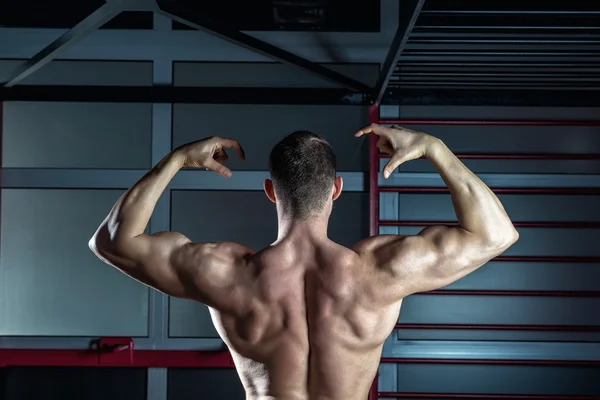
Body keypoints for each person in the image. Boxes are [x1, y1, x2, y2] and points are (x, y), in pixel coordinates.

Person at [89, 124, 519, 400]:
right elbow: (496, 234)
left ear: (270, 191)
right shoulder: (380, 271)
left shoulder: (227, 274)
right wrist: (434, 148)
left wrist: (178, 158)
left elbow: (111, 241)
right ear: (336, 189)